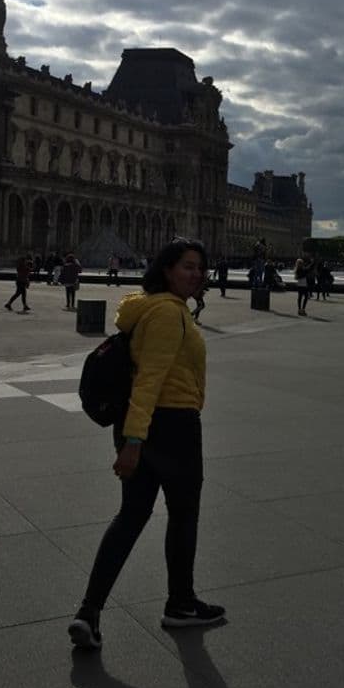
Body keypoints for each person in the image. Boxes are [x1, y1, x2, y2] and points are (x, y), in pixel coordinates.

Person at [68, 238, 224, 651]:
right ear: (167, 269)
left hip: (140, 425)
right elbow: (150, 380)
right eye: (188, 266)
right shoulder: (168, 314)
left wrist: (132, 435)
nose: (197, 274)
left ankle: (90, 610)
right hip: (170, 427)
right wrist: (134, 442)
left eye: (200, 268)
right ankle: (180, 603)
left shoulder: (143, 306)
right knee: (183, 515)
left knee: (132, 517)